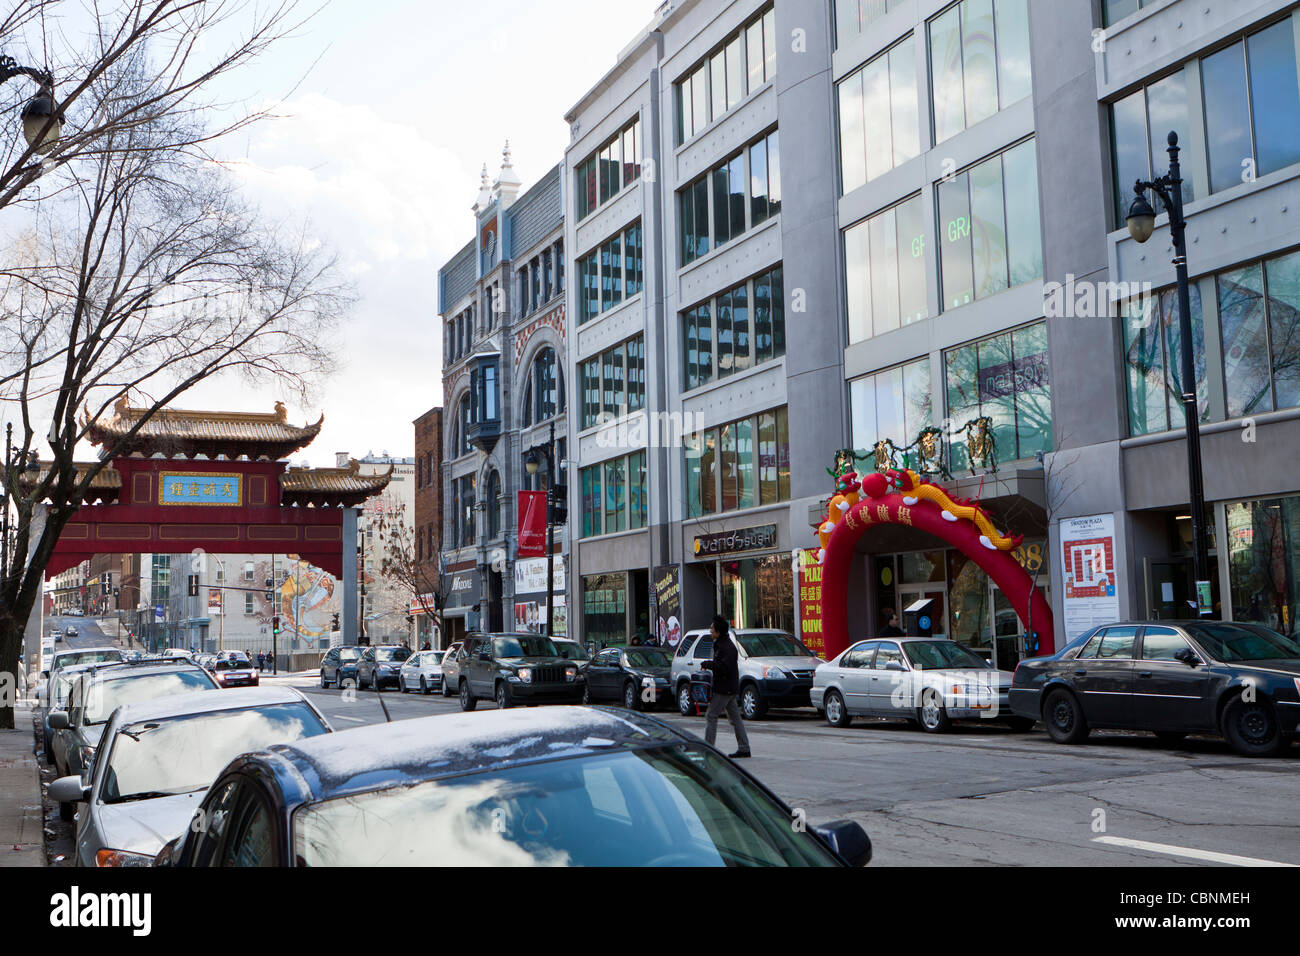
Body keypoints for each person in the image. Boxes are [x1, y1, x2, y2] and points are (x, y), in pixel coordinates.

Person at [700, 614, 751, 759]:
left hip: (725, 688)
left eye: (712, 628)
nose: (710, 630)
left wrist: (708, 664)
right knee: (735, 719)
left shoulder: (726, 646)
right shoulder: (722, 643)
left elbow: (724, 668)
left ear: (718, 630)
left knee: (711, 715)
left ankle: (708, 748)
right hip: (728, 687)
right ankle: (744, 748)